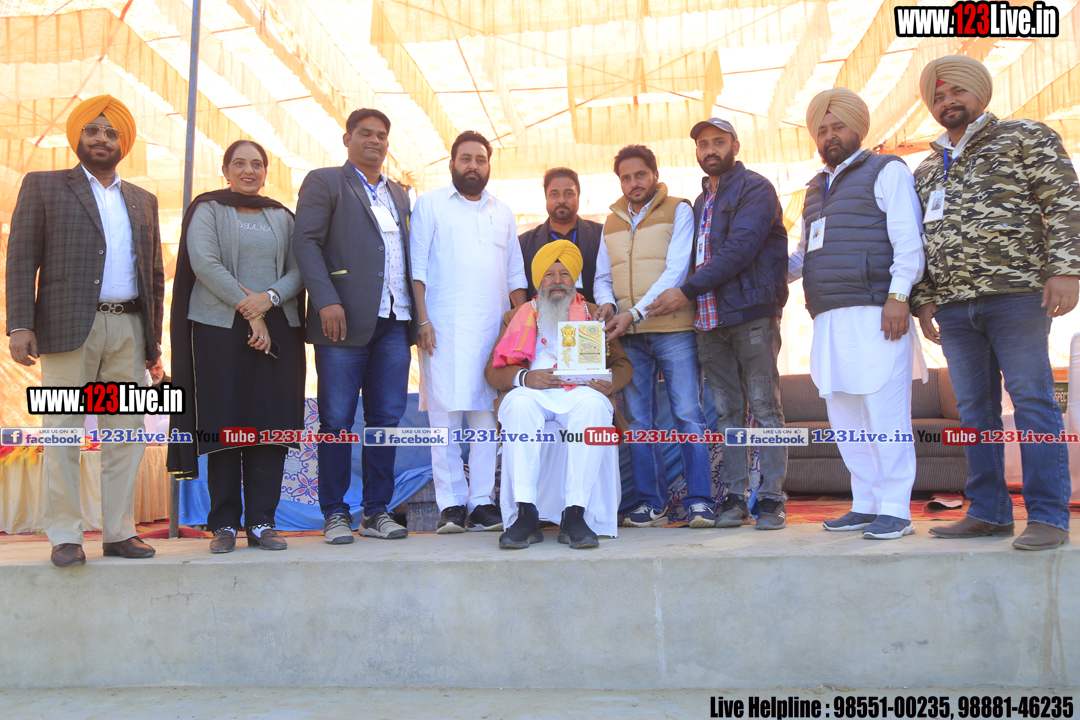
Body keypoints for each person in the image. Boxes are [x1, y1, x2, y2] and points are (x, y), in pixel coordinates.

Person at [913, 56, 1080, 551]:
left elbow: (1064, 202)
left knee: (1032, 400)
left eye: (957, 92)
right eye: (938, 96)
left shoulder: (1025, 136)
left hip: (1017, 295)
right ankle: (988, 512)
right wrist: (924, 299)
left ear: (980, 95)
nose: (948, 101)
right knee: (973, 412)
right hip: (953, 307)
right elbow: (917, 239)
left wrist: (1067, 270)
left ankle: (1048, 516)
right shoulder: (926, 168)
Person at [6, 95, 164, 567]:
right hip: (66, 326)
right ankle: (65, 536)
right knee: (62, 431)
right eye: (92, 130)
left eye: (111, 132)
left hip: (129, 328)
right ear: (77, 136)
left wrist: (152, 342)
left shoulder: (143, 200)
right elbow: (21, 258)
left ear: (124, 142)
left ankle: (119, 532)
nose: (101, 138)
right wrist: (20, 324)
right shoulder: (44, 186)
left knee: (127, 432)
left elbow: (153, 274)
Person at [788, 90, 928, 540]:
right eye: (822, 130)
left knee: (886, 418)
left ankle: (896, 509)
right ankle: (866, 503)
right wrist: (761, 272)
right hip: (828, 318)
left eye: (838, 127)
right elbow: (803, 254)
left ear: (858, 129)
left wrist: (898, 297)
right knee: (846, 421)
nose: (830, 136)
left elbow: (909, 242)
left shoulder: (886, 170)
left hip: (877, 313)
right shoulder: (814, 189)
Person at [648, 118, 791, 531]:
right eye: (703, 144)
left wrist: (685, 291)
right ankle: (735, 497)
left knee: (764, 407)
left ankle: (772, 498)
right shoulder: (699, 200)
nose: (710, 150)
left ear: (735, 145)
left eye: (719, 142)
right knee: (727, 413)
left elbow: (739, 250)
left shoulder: (755, 188)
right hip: (709, 321)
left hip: (751, 314)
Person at [168, 140, 305, 554]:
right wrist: (251, 310)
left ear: (266, 172)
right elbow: (205, 263)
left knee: (270, 422)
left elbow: (301, 267)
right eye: (240, 163)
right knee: (224, 421)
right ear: (225, 170)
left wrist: (270, 299)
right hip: (218, 329)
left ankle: (263, 522)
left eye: (257, 164)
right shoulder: (208, 209)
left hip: (279, 328)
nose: (249, 170)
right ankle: (224, 524)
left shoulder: (282, 216)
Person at [293, 108, 417, 544]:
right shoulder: (326, 182)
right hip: (341, 323)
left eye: (382, 135)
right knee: (336, 420)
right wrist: (326, 300)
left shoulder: (400, 193)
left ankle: (377, 511)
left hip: (395, 321)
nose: (375, 141)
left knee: (385, 420)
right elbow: (305, 242)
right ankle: (334, 513)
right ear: (347, 139)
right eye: (365, 133)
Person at [411, 130, 528, 534]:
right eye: (466, 158)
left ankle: (481, 502)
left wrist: (519, 331)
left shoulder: (503, 211)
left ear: (489, 165)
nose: (473, 165)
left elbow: (515, 274)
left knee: (485, 419)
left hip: (491, 332)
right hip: (441, 329)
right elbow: (417, 268)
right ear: (452, 164)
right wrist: (422, 321)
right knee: (444, 418)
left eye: (480, 159)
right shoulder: (430, 204)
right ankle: (450, 505)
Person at [595, 144, 714, 529]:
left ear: (655, 175)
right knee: (638, 421)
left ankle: (700, 501)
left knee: (688, 415)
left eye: (640, 175)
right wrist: (607, 304)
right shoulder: (611, 221)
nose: (634, 183)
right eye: (626, 177)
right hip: (629, 336)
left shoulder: (679, 210)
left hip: (673, 328)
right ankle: (651, 503)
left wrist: (634, 312)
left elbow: (677, 270)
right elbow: (602, 277)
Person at [485, 241, 633, 548]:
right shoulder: (518, 315)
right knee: (518, 406)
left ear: (574, 279)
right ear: (539, 281)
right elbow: (492, 371)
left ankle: (575, 514)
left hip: (580, 394)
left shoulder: (593, 313)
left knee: (595, 407)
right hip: (534, 393)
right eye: (549, 275)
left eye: (564, 274)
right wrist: (525, 377)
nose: (557, 281)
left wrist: (609, 383)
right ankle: (526, 515)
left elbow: (622, 365)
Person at [517, 167, 607, 305]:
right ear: (546, 198)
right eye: (554, 194)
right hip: (542, 317)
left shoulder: (601, 236)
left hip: (592, 316)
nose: (561, 200)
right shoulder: (524, 243)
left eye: (569, 193)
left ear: (578, 196)